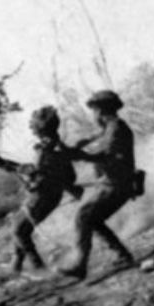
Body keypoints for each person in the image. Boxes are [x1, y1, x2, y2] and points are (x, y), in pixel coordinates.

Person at [61, 90, 138, 279]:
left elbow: (107, 157)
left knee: (83, 216)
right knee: (92, 219)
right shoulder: (111, 127)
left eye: (94, 111)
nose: (93, 116)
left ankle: (80, 265)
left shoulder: (116, 129)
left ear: (101, 111)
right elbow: (99, 135)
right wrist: (81, 144)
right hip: (114, 183)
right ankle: (123, 256)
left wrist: (80, 155)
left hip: (117, 185)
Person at [9, 106, 80, 273]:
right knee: (21, 227)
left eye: (33, 124)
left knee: (18, 230)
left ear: (40, 128)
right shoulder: (56, 144)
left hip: (41, 197)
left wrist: (16, 170)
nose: (30, 127)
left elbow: (37, 176)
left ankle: (37, 267)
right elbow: (63, 174)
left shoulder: (45, 149)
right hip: (51, 195)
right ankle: (16, 264)